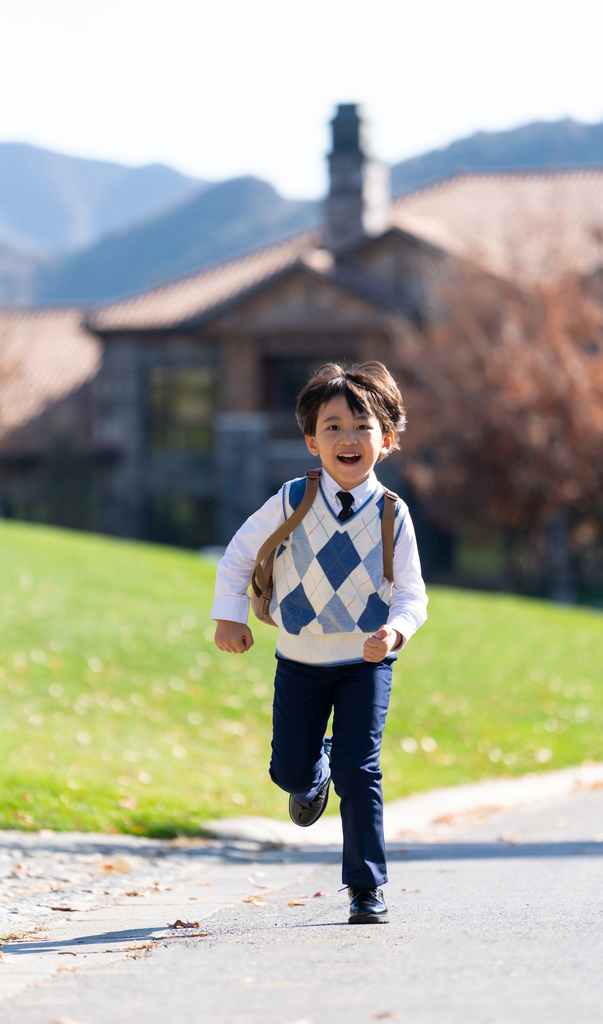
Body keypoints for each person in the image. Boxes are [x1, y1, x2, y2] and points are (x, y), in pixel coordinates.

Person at [211, 361, 427, 924]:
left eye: (363, 426)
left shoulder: (392, 514)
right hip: (301, 661)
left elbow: (412, 595)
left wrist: (395, 632)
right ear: (312, 441)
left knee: (363, 772)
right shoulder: (291, 500)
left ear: (388, 439)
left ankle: (366, 888)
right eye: (333, 427)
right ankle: (313, 773)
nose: (348, 438)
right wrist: (228, 617)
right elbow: (237, 555)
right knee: (289, 770)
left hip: (365, 663)